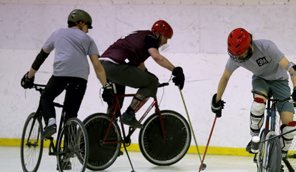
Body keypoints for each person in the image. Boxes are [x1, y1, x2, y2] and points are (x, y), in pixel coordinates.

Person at [211, 27, 296, 162]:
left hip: (280, 81)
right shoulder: (236, 58)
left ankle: (281, 158)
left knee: (290, 125)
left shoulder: (267, 47)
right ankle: (255, 139)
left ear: (250, 44)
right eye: (235, 55)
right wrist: (217, 100)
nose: (239, 58)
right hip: (261, 80)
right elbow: (225, 77)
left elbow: (292, 67)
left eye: (241, 54)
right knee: (258, 105)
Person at [20, 9, 108, 139]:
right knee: (71, 114)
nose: (88, 30)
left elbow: (42, 56)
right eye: (87, 27)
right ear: (80, 22)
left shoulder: (58, 33)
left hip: (61, 75)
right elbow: (97, 66)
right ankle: (68, 152)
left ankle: (51, 122)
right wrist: (106, 86)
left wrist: (29, 76)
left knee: (46, 97)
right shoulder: (88, 39)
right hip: (81, 78)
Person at [100, 19, 185, 128]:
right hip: (116, 66)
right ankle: (129, 114)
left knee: (116, 106)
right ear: (158, 34)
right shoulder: (151, 37)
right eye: (166, 38)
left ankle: (107, 130)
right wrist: (175, 70)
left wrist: (147, 74)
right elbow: (157, 57)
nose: (166, 42)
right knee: (152, 82)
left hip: (103, 66)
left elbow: (139, 63)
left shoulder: (140, 35)